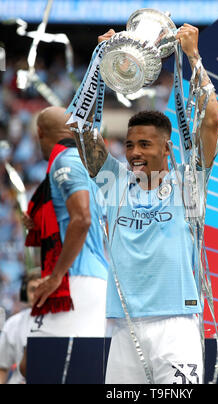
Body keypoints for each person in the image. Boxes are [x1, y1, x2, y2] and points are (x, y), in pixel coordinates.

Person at [74, 24, 218, 384]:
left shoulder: (188, 183)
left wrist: (193, 57)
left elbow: (212, 122)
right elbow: (81, 130)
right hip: (124, 326)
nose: (135, 152)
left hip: (177, 325)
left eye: (145, 145)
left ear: (167, 148)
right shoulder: (114, 183)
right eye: (129, 144)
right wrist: (99, 66)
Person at [20, 107, 108, 380]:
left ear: (40, 134)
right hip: (91, 278)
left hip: (74, 280)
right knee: (75, 368)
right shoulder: (89, 166)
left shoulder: (65, 159)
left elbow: (82, 219)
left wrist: (57, 274)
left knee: (37, 366)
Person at [0, 270, 41, 384]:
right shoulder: (13, 323)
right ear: (24, 292)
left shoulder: (62, 323)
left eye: (41, 288)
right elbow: (2, 368)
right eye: (33, 289)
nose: (37, 294)